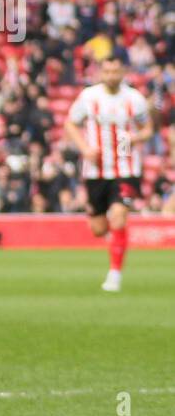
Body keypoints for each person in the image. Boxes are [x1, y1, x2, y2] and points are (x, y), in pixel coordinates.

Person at [63, 56, 152, 292]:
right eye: (108, 71)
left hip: (126, 169)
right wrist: (84, 148)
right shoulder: (89, 97)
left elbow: (148, 129)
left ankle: (114, 275)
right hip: (96, 172)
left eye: (116, 71)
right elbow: (70, 124)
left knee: (119, 216)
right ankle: (115, 243)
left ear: (123, 72)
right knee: (99, 229)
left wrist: (135, 138)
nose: (112, 75)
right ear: (101, 73)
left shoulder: (135, 99)